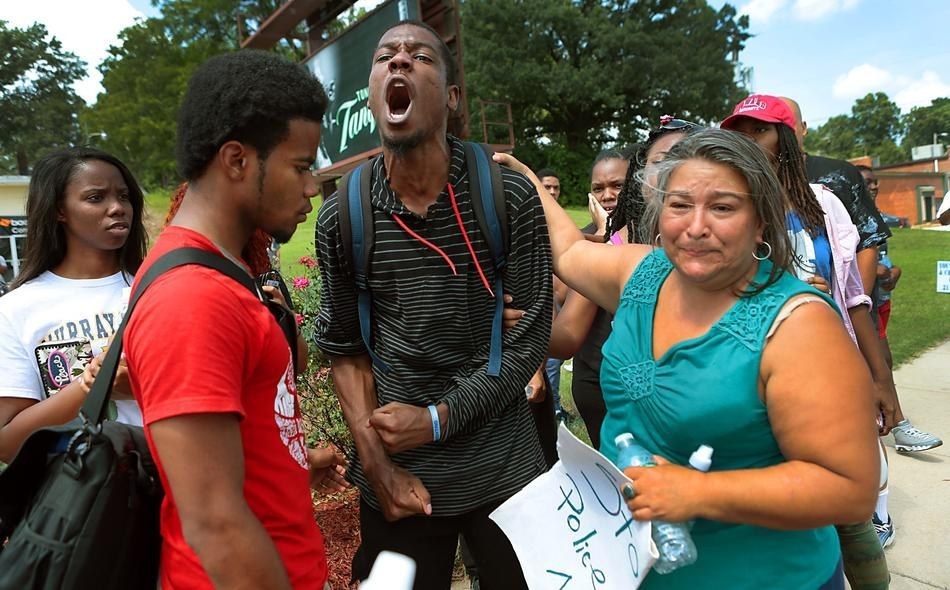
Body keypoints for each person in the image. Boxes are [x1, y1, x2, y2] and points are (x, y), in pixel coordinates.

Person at [498, 128, 879, 589]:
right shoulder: (642, 272)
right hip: (629, 569)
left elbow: (850, 488)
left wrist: (698, 492)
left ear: (761, 221)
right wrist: (525, 179)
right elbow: (572, 250)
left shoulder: (799, 326)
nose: (696, 227)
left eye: (722, 207)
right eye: (680, 205)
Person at [314, 20, 552, 590]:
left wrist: (437, 419)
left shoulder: (506, 196)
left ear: (450, 96)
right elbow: (344, 351)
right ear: (372, 90)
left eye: (419, 56)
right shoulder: (343, 215)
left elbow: (529, 339)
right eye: (385, 57)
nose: (398, 62)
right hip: (399, 481)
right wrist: (377, 466)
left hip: (506, 469)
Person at [123, 50, 338, 589]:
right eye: (301, 165)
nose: (312, 186)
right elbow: (215, 525)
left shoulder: (226, 274)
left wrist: (286, 474)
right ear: (237, 160)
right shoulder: (192, 298)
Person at [721, 94, 895, 583]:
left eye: (760, 130)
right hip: (752, 370)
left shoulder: (825, 203)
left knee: (850, 512)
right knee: (778, 500)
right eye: (739, 131)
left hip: (828, 367)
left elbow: (856, 296)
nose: (748, 140)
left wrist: (882, 380)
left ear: (788, 139)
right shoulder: (728, 202)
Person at [0, 147, 146, 463]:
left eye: (124, 196)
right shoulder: (16, 309)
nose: (117, 208)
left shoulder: (159, 288)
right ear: (58, 210)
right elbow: (8, 443)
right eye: (96, 198)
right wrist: (91, 384)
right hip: (83, 498)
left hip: (171, 487)